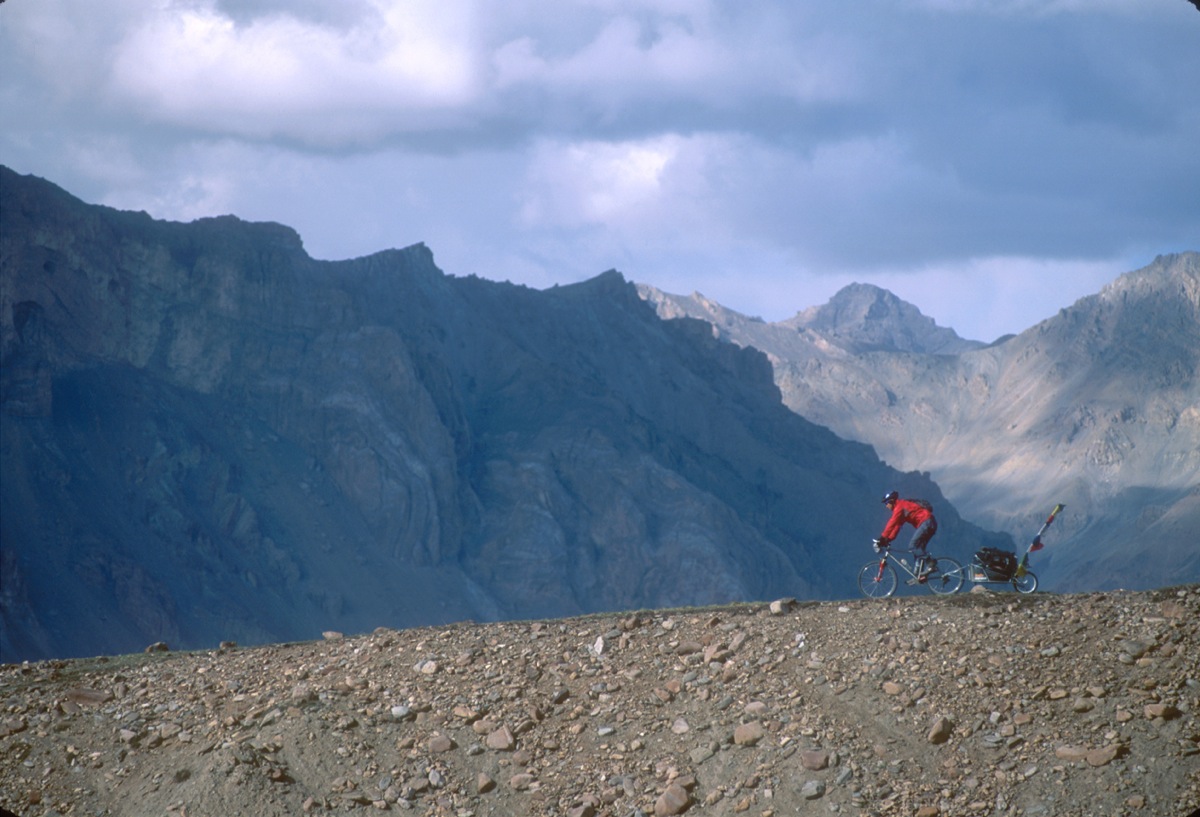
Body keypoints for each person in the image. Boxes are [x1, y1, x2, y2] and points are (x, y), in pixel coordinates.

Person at [876, 490, 938, 578]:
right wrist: (888, 539)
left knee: (912, 546)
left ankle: (931, 563)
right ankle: (920, 575)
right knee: (918, 550)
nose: (886, 506)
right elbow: (897, 527)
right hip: (930, 523)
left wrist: (882, 537)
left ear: (891, 501)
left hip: (927, 522)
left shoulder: (899, 507)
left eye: (886, 503)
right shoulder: (901, 508)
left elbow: (892, 522)